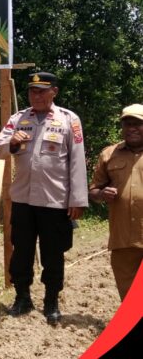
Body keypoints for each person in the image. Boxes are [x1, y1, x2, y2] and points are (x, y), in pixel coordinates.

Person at [0, 72, 88, 325]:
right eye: (32, 91)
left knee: (53, 253)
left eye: (42, 91)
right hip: (23, 200)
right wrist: (12, 143)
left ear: (53, 92)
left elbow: (77, 161)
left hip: (54, 201)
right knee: (21, 251)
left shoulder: (69, 120)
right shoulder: (18, 118)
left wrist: (77, 199)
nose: (36, 95)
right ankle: (22, 297)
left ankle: (51, 301)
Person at [89, 104, 143, 301]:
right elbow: (93, 190)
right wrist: (102, 193)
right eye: (128, 124)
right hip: (123, 238)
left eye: (138, 124)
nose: (132, 128)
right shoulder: (109, 154)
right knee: (129, 295)